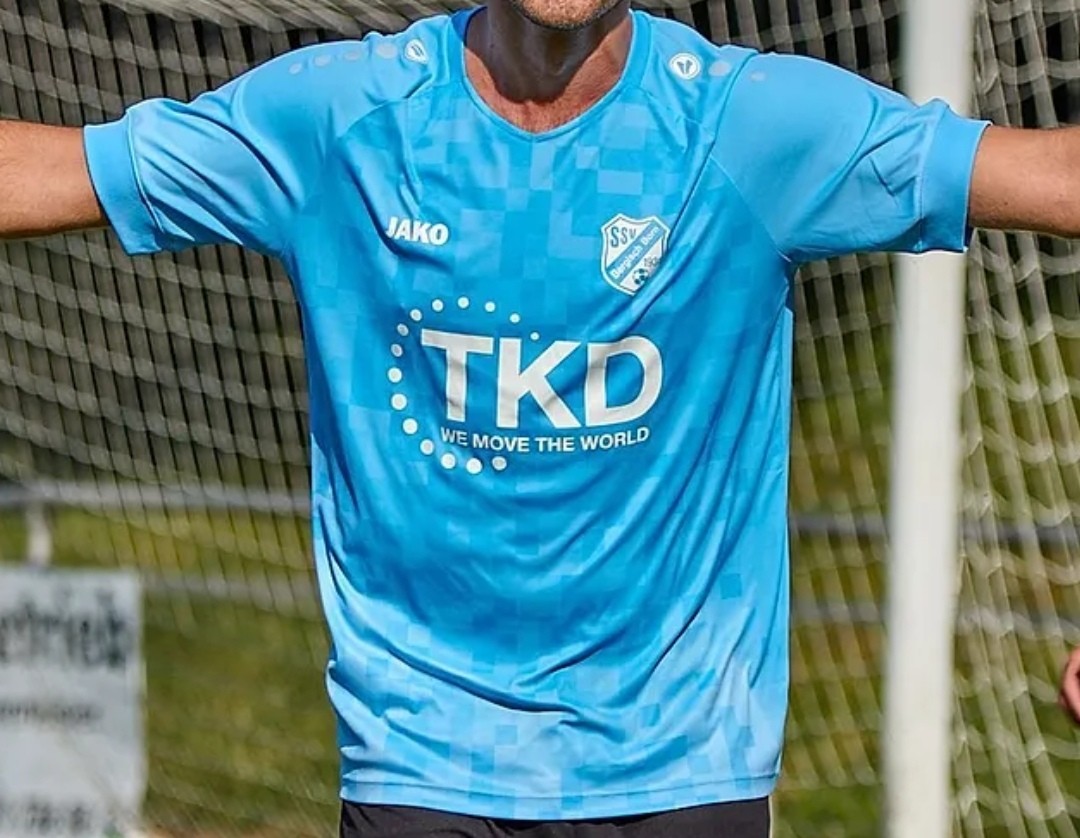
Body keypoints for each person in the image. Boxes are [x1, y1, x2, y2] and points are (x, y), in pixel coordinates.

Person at [0, 0, 1075, 833]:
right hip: (421, 755)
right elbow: (59, 170)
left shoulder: (747, 126)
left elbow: (1050, 176)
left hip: (683, 765)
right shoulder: (340, 119)